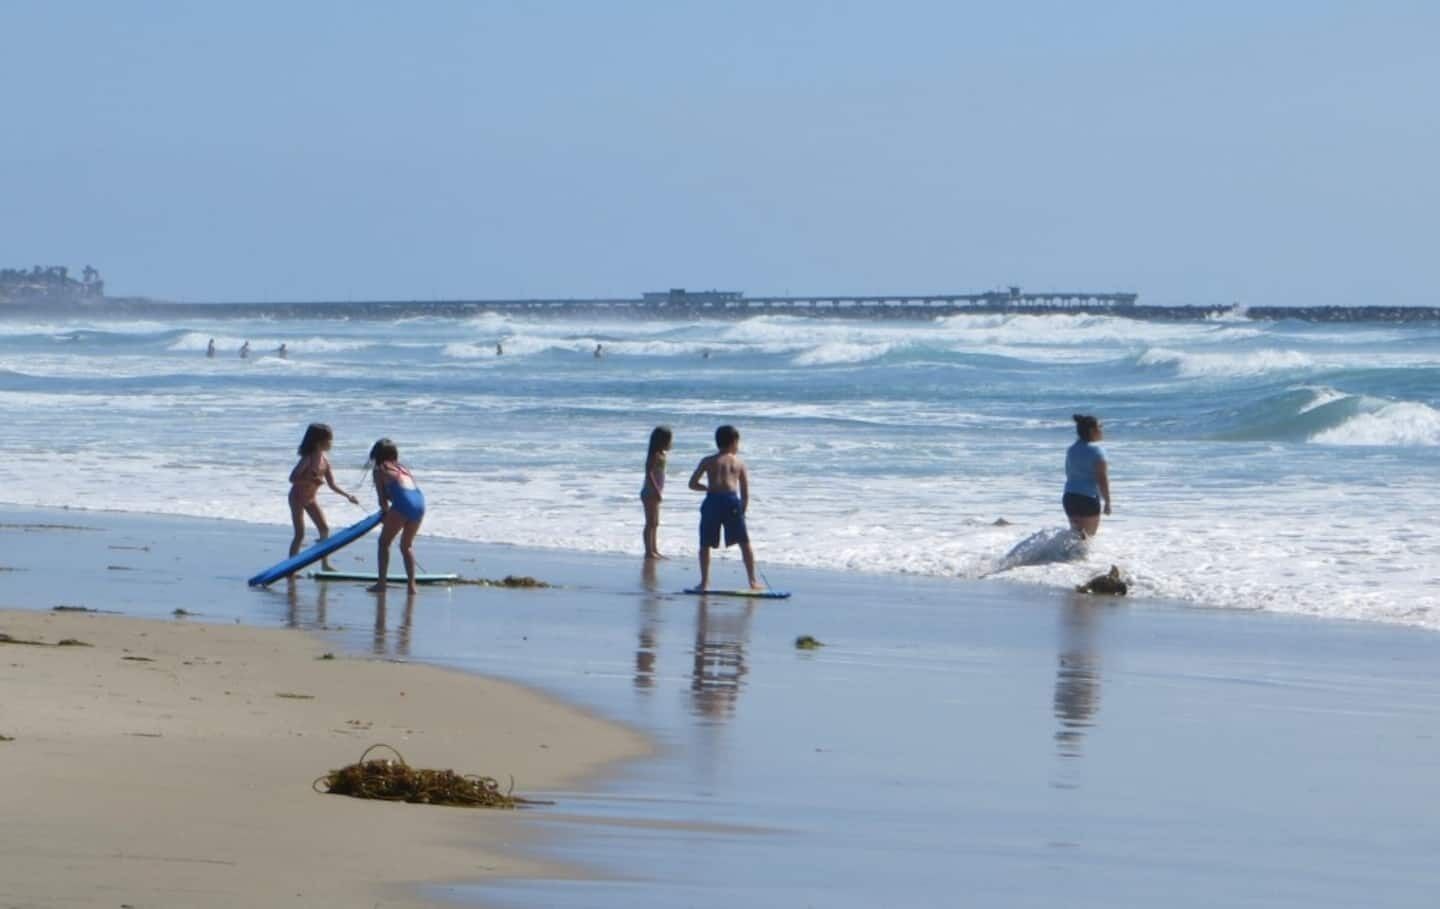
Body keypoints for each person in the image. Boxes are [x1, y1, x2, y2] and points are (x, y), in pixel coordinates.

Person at [688, 424, 761, 590]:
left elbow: (692, 484)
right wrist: (743, 509)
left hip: (712, 501)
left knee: (705, 543)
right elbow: (745, 492)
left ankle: (704, 582)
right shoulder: (739, 463)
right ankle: (752, 581)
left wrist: (707, 488)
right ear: (734, 442)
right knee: (744, 542)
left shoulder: (707, 461)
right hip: (731, 502)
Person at [288, 423, 359, 572]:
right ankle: (291, 568)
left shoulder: (325, 461)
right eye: (329, 440)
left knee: (324, 529)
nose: (331, 443)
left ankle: (325, 564)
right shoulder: (308, 459)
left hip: (310, 499)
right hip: (297, 498)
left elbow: (332, 485)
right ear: (318, 442)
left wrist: (348, 496)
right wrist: (310, 480)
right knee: (300, 534)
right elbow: (292, 478)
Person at [367, 438, 425, 593]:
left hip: (403, 504)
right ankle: (412, 586)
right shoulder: (403, 468)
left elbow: (382, 501)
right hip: (420, 503)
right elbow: (404, 489)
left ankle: (381, 584)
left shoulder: (379, 470)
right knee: (406, 546)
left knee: (383, 543)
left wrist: (385, 515)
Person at [1063, 413, 1111, 538]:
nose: (1102, 430)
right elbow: (1102, 478)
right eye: (1100, 427)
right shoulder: (1097, 451)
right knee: (1087, 539)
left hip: (1070, 497)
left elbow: (1069, 473)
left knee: (1076, 537)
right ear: (1092, 430)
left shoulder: (1071, 449)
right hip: (1087, 499)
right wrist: (1107, 502)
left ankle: (1056, 551)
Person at [641, 426, 673, 559]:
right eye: (669, 440)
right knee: (650, 522)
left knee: (655, 522)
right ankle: (648, 551)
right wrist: (656, 490)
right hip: (650, 492)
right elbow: (649, 473)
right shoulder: (654, 455)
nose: (671, 443)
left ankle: (654, 549)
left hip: (655, 492)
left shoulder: (662, 454)